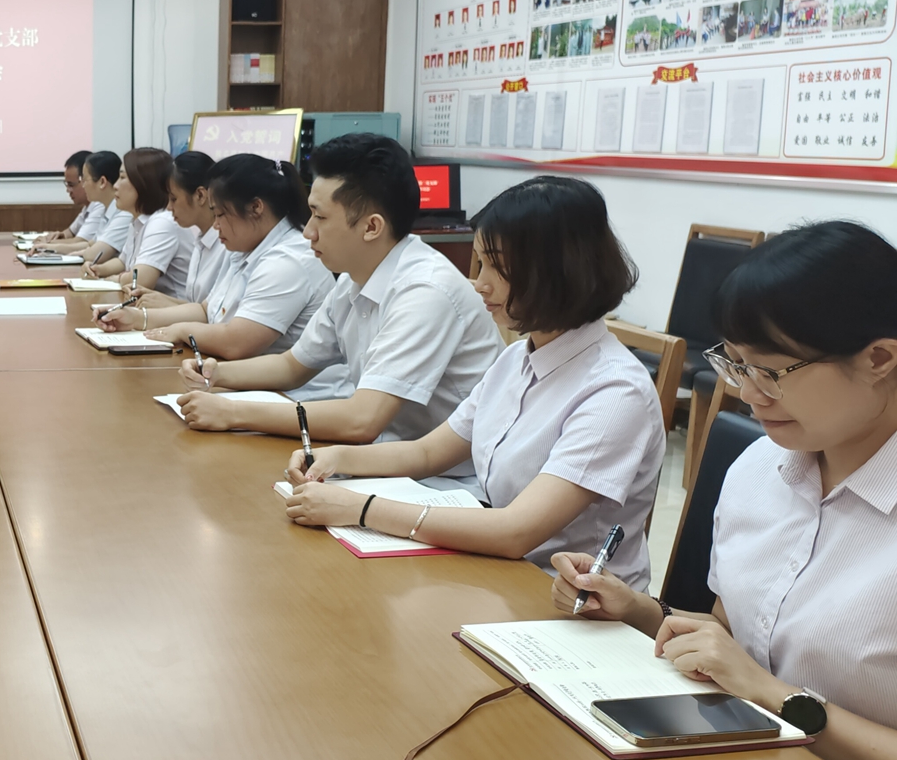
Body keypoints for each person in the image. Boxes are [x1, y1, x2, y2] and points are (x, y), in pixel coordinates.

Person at [551, 221, 897, 760]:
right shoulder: (761, 468)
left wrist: (771, 695)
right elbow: (734, 642)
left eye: (772, 372)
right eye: (736, 364)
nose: (746, 393)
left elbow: (753, 678)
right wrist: (638, 612)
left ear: (879, 358)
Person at [283, 176, 663, 562]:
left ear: (556, 271)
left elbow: (517, 532)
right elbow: (429, 452)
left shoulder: (615, 391)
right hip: (499, 569)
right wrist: (336, 459)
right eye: (480, 263)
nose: (478, 284)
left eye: (496, 267)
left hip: (569, 601)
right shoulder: (517, 359)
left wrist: (360, 509)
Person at [174, 134, 501, 448]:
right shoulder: (354, 278)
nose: (308, 232)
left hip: (452, 481)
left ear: (371, 227)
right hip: (390, 456)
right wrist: (215, 373)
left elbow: (362, 419)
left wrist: (232, 413)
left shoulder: (425, 291)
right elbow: (293, 366)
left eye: (320, 216)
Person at [95, 153, 337, 365]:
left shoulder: (288, 260)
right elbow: (206, 310)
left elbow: (236, 342)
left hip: (293, 399)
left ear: (256, 208)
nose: (216, 224)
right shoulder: (246, 248)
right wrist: (137, 319)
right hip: (252, 384)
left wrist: (178, 331)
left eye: (220, 214)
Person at [87, 147, 194, 297]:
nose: (116, 186)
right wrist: (98, 269)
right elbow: (123, 262)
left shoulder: (162, 222)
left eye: (122, 178)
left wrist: (114, 279)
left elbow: (141, 280)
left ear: (143, 183)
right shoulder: (138, 220)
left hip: (173, 312)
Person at [132, 151, 220, 308]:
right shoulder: (201, 239)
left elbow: (214, 316)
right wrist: (159, 299)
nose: (169, 207)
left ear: (200, 195)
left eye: (174, 199)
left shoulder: (227, 245)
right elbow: (201, 307)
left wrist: (154, 310)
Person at [44, 150, 96, 241]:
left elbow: (80, 242)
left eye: (71, 185)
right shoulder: (87, 207)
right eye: (67, 185)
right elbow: (70, 233)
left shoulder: (100, 205)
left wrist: (47, 244)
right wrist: (59, 236)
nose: (68, 190)